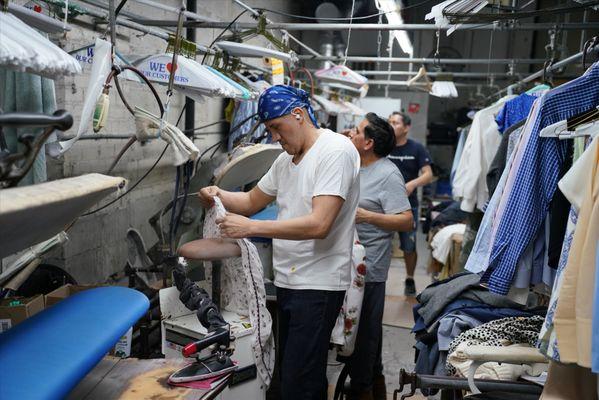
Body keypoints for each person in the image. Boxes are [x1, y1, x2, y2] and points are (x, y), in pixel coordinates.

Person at [197, 85, 360, 400]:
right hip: (289, 280)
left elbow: (319, 224)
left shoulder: (335, 151)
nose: (274, 137)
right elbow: (248, 200)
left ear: (298, 115)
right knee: (290, 375)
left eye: (276, 127)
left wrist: (252, 227)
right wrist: (216, 194)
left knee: (300, 381)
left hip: (319, 283)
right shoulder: (286, 161)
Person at [347, 113, 413, 400]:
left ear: (369, 142)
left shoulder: (387, 174)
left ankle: (363, 389)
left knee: (363, 340)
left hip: (369, 269)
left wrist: (367, 216)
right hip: (349, 266)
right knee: (364, 337)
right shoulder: (355, 165)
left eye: (357, 130)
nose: (351, 132)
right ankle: (373, 387)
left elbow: (405, 220)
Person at [387, 111, 433, 296]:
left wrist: (413, 184)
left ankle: (410, 278)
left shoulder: (417, 148)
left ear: (406, 128)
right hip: (383, 205)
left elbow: (428, 174)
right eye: (389, 121)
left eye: (396, 123)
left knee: (409, 245)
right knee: (380, 244)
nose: (391, 125)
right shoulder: (383, 146)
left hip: (408, 205)